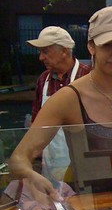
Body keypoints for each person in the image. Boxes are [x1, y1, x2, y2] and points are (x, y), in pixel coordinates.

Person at [9, 6, 112, 200]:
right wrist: (33, 177)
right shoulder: (68, 97)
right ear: (91, 46)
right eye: (109, 44)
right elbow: (18, 158)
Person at [26, 26, 90, 178]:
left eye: (45, 51)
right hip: (51, 164)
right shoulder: (43, 79)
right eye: (40, 52)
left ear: (64, 51)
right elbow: (36, 124)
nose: (40, 57)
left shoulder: (87, 76)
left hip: (83, 164)